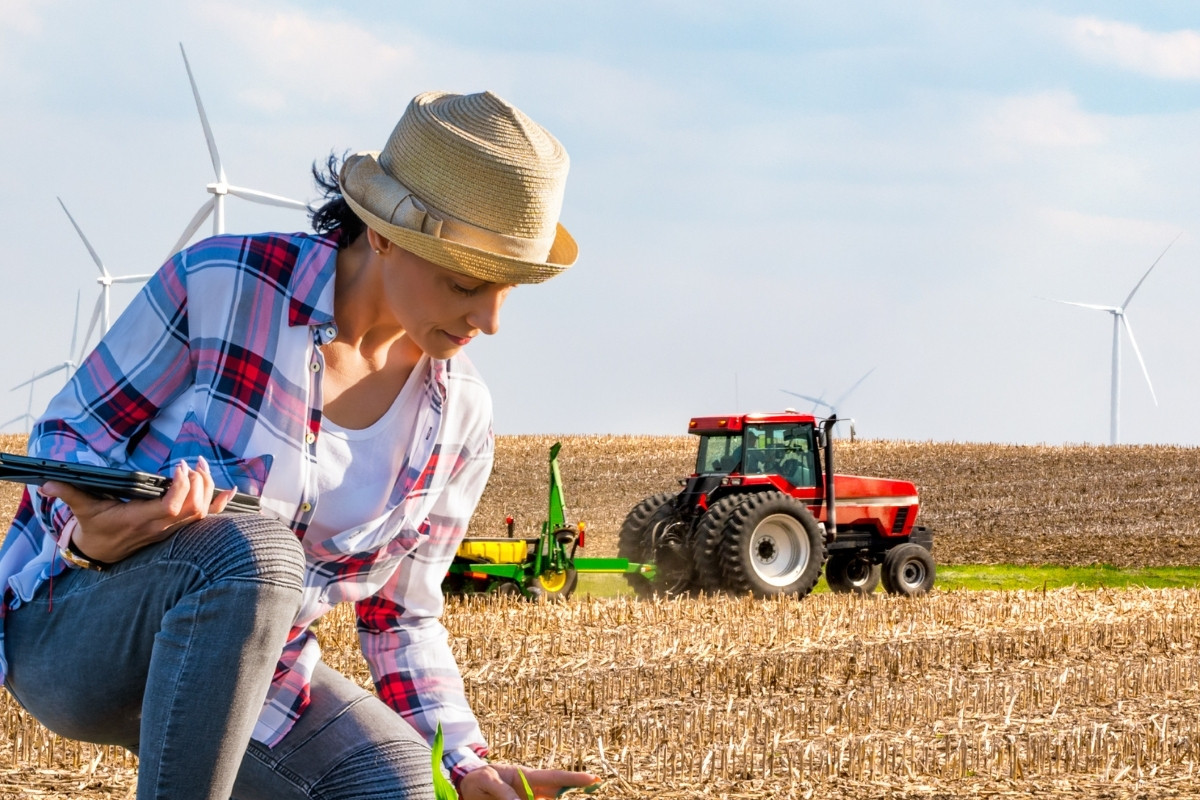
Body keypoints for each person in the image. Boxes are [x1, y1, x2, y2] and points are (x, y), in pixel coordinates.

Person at [0, 90, 598, 800]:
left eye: (509, 290)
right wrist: (90, 530)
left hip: (256, 677)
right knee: (253, 549)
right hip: (80, 623)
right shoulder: (222, 282)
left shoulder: (461, 416)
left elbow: (402, 616)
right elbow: (69, 436)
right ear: (381, 233)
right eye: (466, 283)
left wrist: (465, 765)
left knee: (407, 786)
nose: (490, 321)